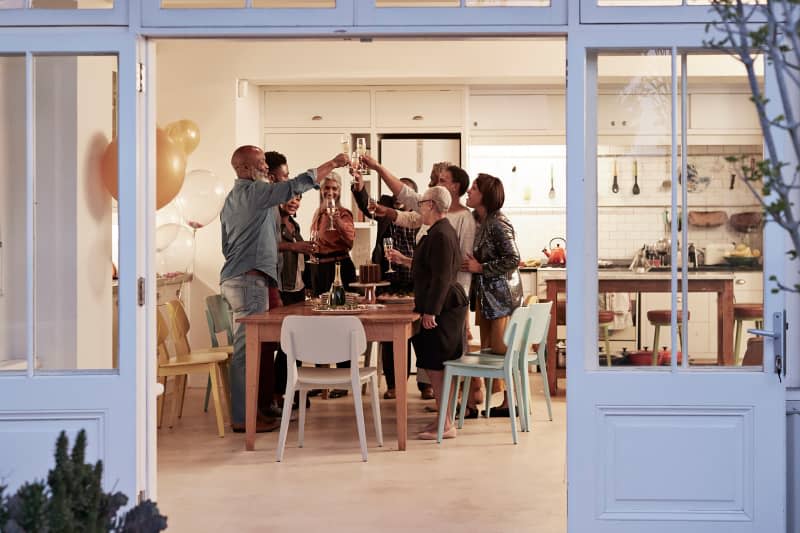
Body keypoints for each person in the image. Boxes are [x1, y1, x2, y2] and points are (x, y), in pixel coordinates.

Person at [219, 145, 348, 433]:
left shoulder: (233, 200)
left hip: (244, 278)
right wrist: (333, 162)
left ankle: (257, 410)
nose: (266, 166)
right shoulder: (254, 193)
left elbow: (226, 245)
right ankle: (244, 418)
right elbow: (294, 185)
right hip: (249, 280)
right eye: (260, 162)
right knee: (246, 352)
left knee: (255, 349)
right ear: (242, 168)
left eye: (265, 161)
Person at [361, 155, 475, 400]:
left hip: (444, 303)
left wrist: (433, 310)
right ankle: (443, 414)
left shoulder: (448, 228)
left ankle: (448, 416)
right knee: (435, 360)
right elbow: (405, 203)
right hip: (437, 300)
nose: (419, 203)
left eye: (440, 180)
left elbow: (448, 272)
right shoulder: (432, 224)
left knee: (441, 360)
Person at [387, 186, 468, 440]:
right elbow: (432, 267)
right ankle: (443, 420)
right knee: (435, 366)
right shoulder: (438, 232)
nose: (418, 207)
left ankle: (445, 424)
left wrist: (431, 311)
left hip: (441, 308)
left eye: (421, 202)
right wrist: (404, 260)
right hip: (440, 305)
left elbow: (443, 276)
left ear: (431, 205)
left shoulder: (441, 234)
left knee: (437, 365)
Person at [351, 170, 417, 400]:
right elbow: (366, 204)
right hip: (390, 280)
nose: (399, 197)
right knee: (392, 335)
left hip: (415, 281)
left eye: (404, 192)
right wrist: (359, 187)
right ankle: (394, 384)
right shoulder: (387, 214)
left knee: (418, 334)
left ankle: (425, 383)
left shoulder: (421, 218)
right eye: (396, 193)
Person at [463, 173, 523, 418]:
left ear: (484, 195)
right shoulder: (482, 220)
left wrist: (482, 268)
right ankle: (505, 403)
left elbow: (513, 259)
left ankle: (511, 403)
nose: (468, 191)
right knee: (494, 351)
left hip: (502, 301)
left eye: (473, 188)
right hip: (490, 299)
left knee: (502, 352)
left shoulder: (497, 222)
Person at [308, 171, 357, 398]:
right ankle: (321, 379)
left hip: (339, 268)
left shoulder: (345, 213)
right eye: (326, 188)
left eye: (334, 189)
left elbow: (349, 240)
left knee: (341, 325)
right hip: (320, 269)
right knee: (319, 325)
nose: (330, 192)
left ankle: (344, 379)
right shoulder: (317, 214)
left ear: (340, 191)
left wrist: (335, 218)